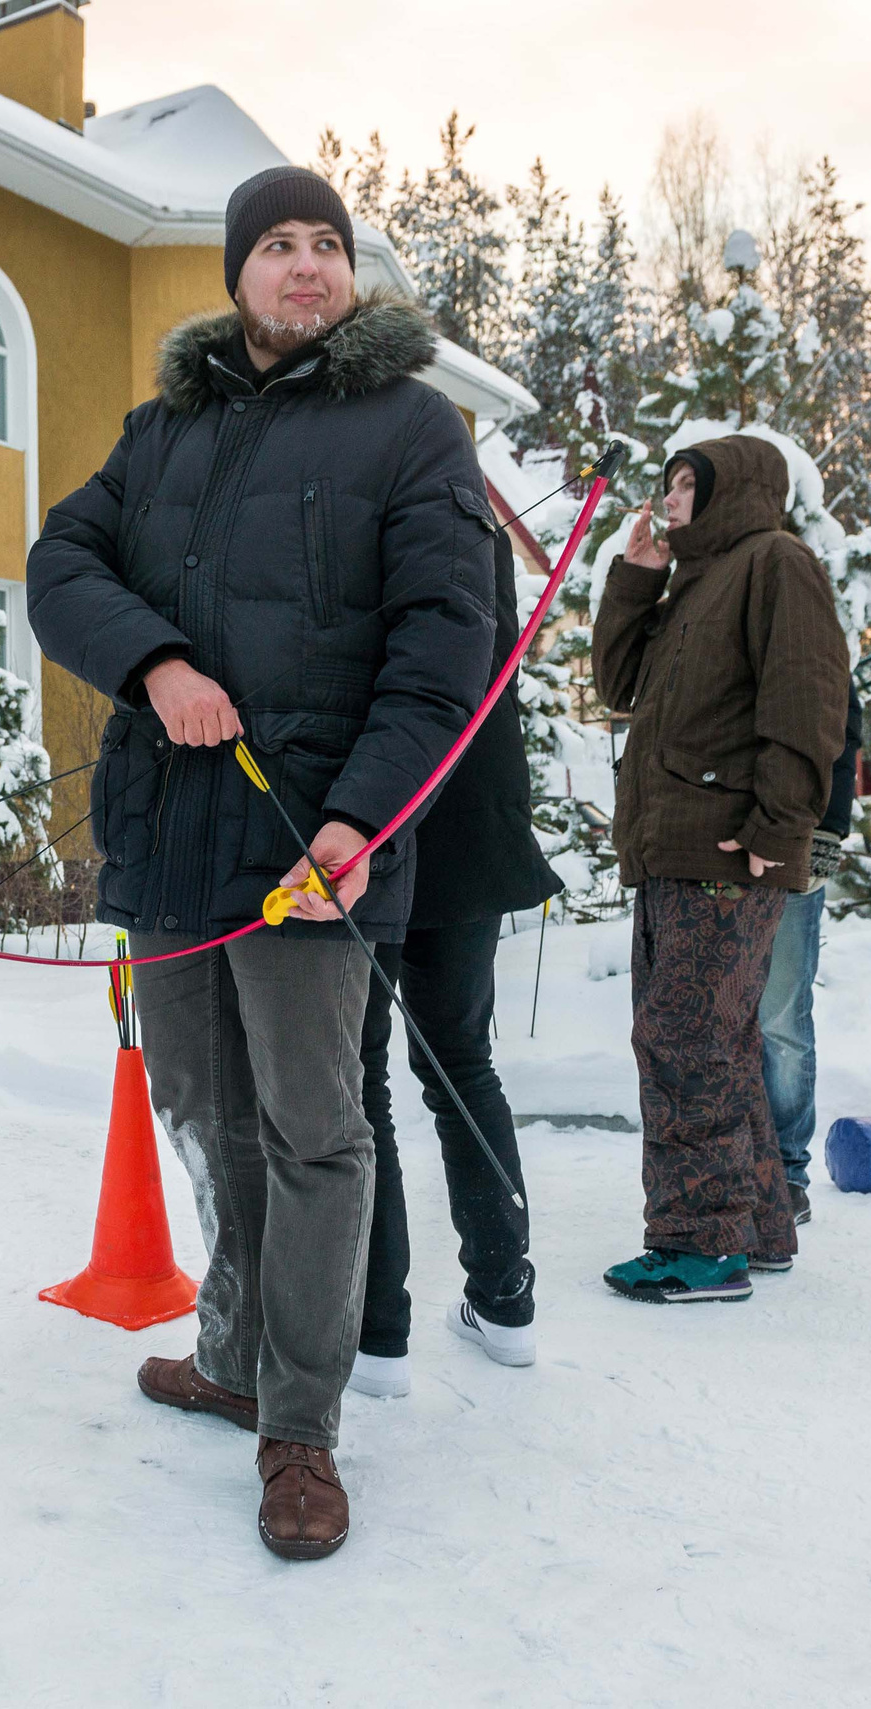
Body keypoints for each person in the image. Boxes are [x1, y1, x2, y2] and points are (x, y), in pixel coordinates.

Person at [27, 165, 495, 1559]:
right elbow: (61, 562)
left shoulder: (412, 430)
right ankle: (230, 1355)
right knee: (205, 1109)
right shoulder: (165, 429)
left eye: (329, 246)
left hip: (312, 846)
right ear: (236, 274)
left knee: (313, 1132)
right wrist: (156, 660)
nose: (307, 266)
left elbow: (441, 651)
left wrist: (361, 821)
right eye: (279, 245)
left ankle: (301, 1424)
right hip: (174, 839)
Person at [589, 436, 849, 1304]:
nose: (670, 498)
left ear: (733, 489)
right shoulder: (696, 582)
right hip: (672, 852)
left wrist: (780, 826)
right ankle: (760, 1229)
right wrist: (637, 579)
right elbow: (618, 685)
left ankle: (699, 1245)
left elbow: (808, 699)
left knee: (686, 1045)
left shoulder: (775, 564)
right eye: (667, 484)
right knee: (721, 1047)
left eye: (688, 484)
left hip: (728, 854)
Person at [348, 523, 558, 1400]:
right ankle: (500, 1300)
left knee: (365, 1079)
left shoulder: (377, 509)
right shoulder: (469, 526)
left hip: (381, 824)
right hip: (458, 827)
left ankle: (378, 1329)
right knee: (456, 1063)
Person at [757, 683, 863, 1227]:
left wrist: (828, 828)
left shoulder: (802, 612)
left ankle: (787, 1176)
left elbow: (841, 721)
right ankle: (737, 1168)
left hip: (795, 844)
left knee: (780, 1020)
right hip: (718, 842)